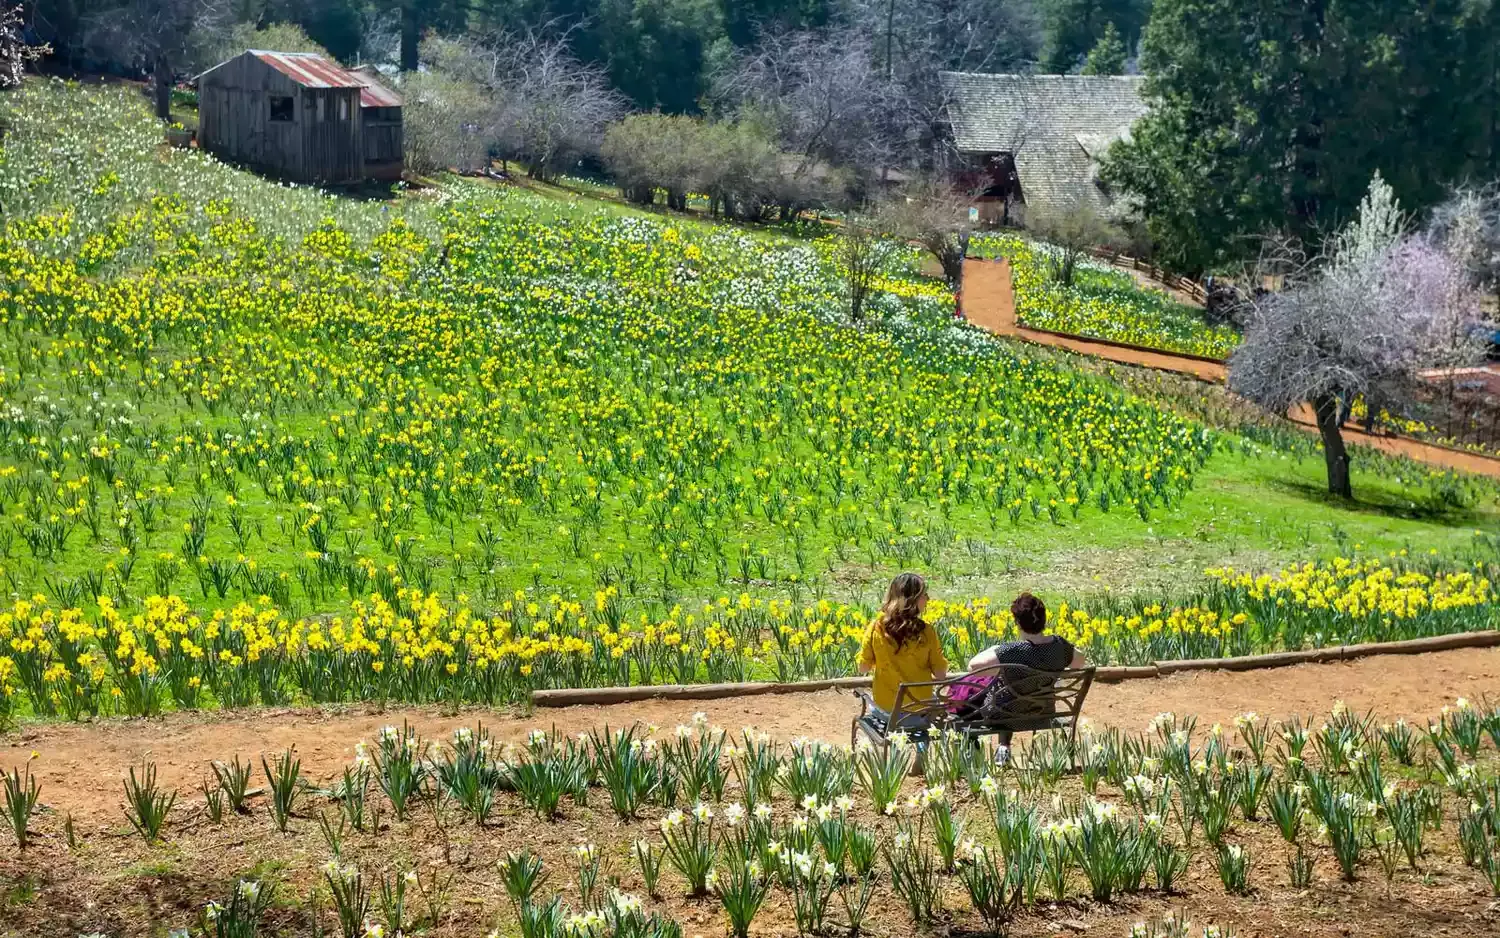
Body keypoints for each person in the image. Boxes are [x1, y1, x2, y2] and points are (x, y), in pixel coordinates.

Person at [965, 592, 1086, 763]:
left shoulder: (1011, 651)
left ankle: (1001, 748)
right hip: (1042, 712)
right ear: (1044, 620)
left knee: (995, 696)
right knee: (1013, 693)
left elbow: (973, 667)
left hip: (1004, 715)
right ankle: (1003, 747)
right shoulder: (1059, 646)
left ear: (1018, 623)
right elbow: (1080, 661)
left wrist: (995, 648)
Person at [857, 572, 948, 731]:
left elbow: (862, 668)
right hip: (920, 712)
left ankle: (895, 754)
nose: (928, 599)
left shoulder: (876, 627)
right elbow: (941, 674)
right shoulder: (927, 632)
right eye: (924, 595)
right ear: (911, 599)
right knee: (932, 703)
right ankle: (922, 754)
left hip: (887, 712)